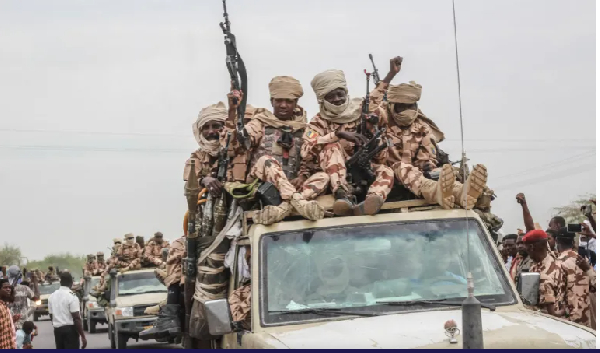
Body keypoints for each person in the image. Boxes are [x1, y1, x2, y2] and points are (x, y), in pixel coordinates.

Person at [303, 61, 401, 216]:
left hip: (361, 166)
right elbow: (306, 149)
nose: (337, 99)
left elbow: (376, 96)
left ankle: (371, 200)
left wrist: (391, 74)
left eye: (340, 94)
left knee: (386, 170)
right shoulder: (317, 122)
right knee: (332, 147)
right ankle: (342, 196)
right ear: (322, 99)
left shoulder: (359, 110)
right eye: (331, 96)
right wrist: (337, 135)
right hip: (333, 174)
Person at [227, 76, 325, 224]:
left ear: (296, 103)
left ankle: (284, 208)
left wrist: (303, 177)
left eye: (288, 101)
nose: (283, 105)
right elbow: (234, 146)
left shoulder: (305, 128)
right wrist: (233, 113)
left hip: (290, 186)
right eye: (278, 100)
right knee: (267, 161)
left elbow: (312, 159)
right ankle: (297, 202)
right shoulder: (260, 123)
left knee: (323, 177)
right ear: (271, 101)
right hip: (260, 184)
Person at [381, 81, 487, 210]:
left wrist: (426, 165)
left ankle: (461, 193)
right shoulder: (381, 122)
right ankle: (436, 192)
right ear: (392, 106)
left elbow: (426, 158)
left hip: (416, 176)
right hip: (386, 176)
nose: (407, 111)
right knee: (401, 167)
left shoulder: (422, 128)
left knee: (443, 172)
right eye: (402, 107)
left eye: (411, 106)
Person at [524, 229, 567, 319]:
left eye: (526, 248)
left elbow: (551, 313)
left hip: (546, 321)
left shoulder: (543, 277)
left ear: (531, 247)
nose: (526, 251)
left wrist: (563, 311)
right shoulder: (552, 258)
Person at [555, 229, 592, 327]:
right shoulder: (584, 262)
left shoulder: (557, 263)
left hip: (567, 320)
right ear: (573, 242)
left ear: (556, 241)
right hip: (586, 318)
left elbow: (558, 293)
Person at [48, 271, 87, 349]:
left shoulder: (52, 296)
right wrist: (82, 336)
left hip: (58, 331)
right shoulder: (72, 297)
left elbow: (51, 315)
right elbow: (76, 318)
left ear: (60, 282)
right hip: (70, 331)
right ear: (71, 282)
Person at [0, 278, 17, 349]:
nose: (8, 289)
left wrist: (12, 321)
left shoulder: (5, 306)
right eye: (5, 287)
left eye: (9, 287)